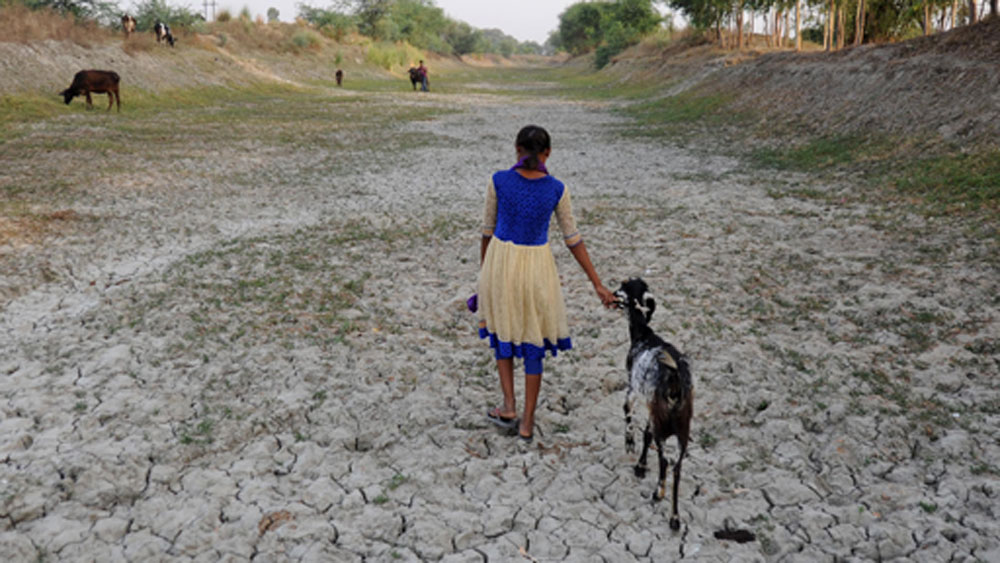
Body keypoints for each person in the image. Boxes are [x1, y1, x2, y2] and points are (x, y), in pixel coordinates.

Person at [478, 125, 616, 443]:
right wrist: (597, 283)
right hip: (537, 268)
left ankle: (508, 406)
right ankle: (527, 422)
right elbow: (573, 239)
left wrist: (484, 273)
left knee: (503, 332)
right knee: (533, 341)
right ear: (547, 153)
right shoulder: (556, 189)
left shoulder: (498, 181)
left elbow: (486, 231)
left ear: (516, 149)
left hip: (501, 264)